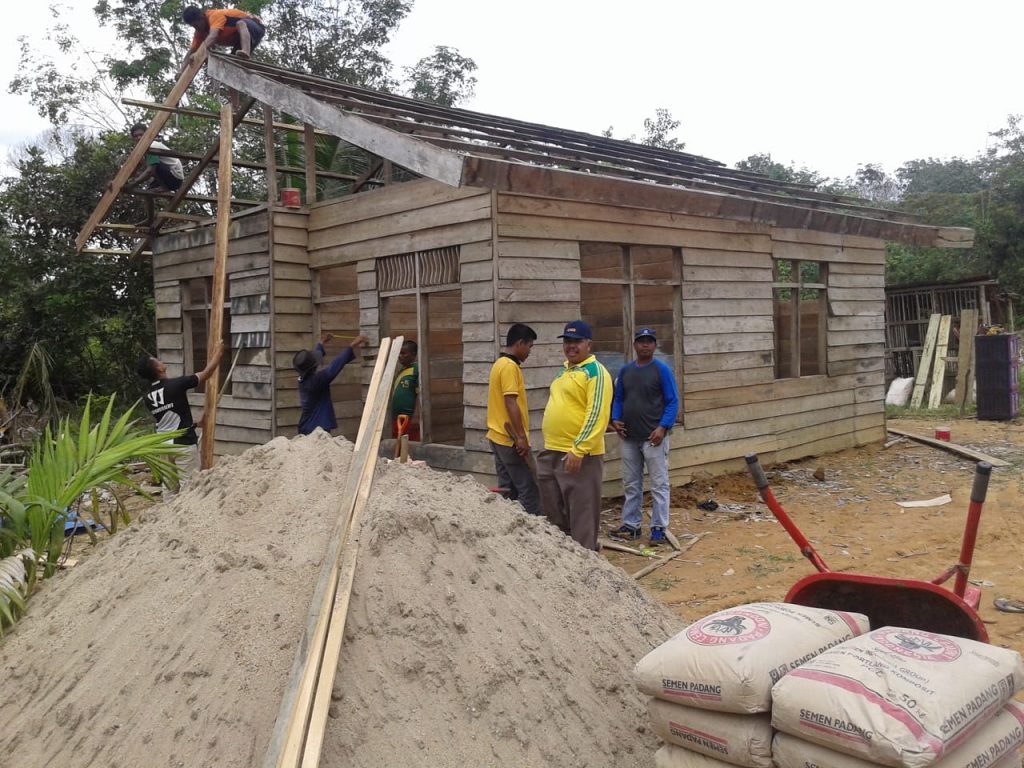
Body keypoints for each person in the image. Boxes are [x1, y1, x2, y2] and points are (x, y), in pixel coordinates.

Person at [538, 320, 613, 551]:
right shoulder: (565, 371)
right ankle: (565, 562)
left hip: (579, 455)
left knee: (582, 514)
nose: (571, 346)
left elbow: (597, 414)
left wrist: (578, 449)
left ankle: (587, 565)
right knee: (554, 513)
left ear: (588, 344)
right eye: (567, 341)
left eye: (577, 342)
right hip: (552, 449)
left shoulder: (596, 373)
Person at [610, 328, 680, 544]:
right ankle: (631, 525)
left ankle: (659, 527)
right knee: (631, 483)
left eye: (649, 342)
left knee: (659, 484)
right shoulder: (626, 371)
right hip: (630, 437)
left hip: (653, 437)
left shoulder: (661, 370)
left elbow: (673, 401)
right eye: (641, 342)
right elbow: (619, 398)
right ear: (635, 345)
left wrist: (663, 427)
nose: (645, 345)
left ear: (654, 345)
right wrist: (615, 419)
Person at [136, 340, 225, 489]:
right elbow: (207, 373)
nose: (161, 360)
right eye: (157, 360)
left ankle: (170, 512)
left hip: (163, 445)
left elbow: (167, 421)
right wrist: (219, 352)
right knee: (189, 487)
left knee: (170, 489)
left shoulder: (148, 397)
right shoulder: (176, 384)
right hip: (182, 444)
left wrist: (196, 424)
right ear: (158, 369)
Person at [486, 323, 541, 515]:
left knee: (507, 488)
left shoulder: (498, 364)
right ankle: (532, 530)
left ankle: (507, 528)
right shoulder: (509, 367)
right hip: (509, 439)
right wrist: (520, 437)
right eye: (529, 346)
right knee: (527, 488)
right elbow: (511, 402)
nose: (529, 352)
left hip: (496, 436)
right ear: (520, 343)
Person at [293, 332, 368, 436]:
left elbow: (313, 361)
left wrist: (321, 343)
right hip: (316, 430)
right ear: (313, 368)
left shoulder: (303, 379)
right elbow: (334, 367)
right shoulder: (316, 382)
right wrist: (352, 345)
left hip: (307, 426)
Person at [180, 5, 266, 70]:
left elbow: (213, 36)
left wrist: (198, 53)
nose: (196, 28)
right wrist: (180, 71)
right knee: (232, 68)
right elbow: (191, 51)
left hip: (255, 28)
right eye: (193, 26)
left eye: (196, 25)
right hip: (240, 40)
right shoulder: (200, 32)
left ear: (202, 17)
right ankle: (232, 94)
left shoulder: (214, 16)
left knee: (241, 24)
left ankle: (245, 51)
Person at [127, 123, 184, 193]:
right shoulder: (141, 151)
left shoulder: (151, 146)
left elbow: (150, 171)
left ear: (147, 135)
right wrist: (125, 181)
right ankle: (160, 190)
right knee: (148, 193)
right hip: (168, 177)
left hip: (174, 178)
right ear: (133, 138)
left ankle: (164, 187)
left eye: (141, 135)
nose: (139, 138)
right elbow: (134, 169)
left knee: (152, 165)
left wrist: (133, 184)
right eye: (136, 136)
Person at [391, 340, 421, 441]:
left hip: (409, 418)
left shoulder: (416, 370)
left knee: (409, 445)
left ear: (413, 354)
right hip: (397, 418)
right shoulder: (401, 371)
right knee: (397, 446)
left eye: (403, 353)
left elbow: (420, 394)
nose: (400, 356)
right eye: (399, 353)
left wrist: (417, 416)